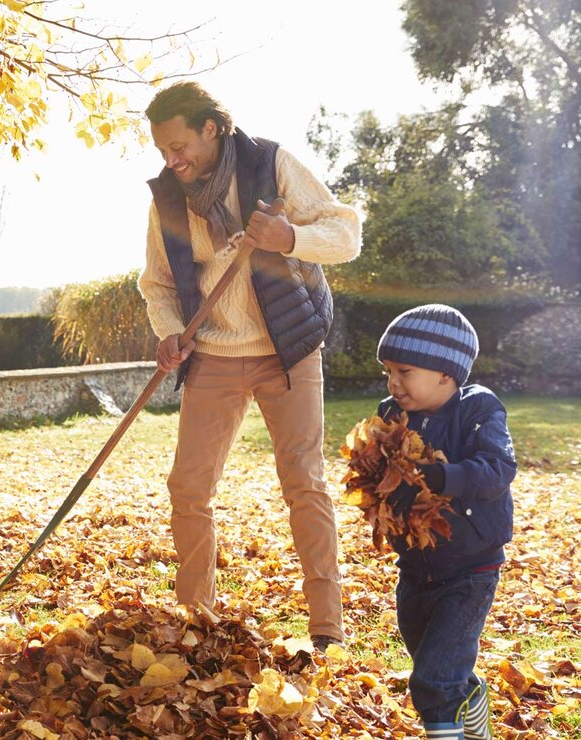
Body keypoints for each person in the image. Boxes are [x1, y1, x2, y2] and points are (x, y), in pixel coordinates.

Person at [138, 81, 360, 650]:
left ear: (211, 129)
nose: (173, 159)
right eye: (164, 150)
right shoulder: (167, 197)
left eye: (180, 145)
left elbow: (346, 234)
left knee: (303, 482)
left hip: (288, 348)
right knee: (188, 488)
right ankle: (195, 622)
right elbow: (158, 283)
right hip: (213, 352)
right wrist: (168, 331)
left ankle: (328, 630)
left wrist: (290, 236)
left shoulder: (271, 164)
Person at [375, 305, 515, 740]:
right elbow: (381, 472)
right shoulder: (391, 412)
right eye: (388, 372)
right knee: (434, 662)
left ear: (445, 374)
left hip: (470, 569)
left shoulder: (479, 409)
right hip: (416, 569)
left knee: (432, 680)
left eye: (404, 370)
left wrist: (444, 476)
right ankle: (470, 699)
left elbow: (498, 468)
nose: (393, 382)